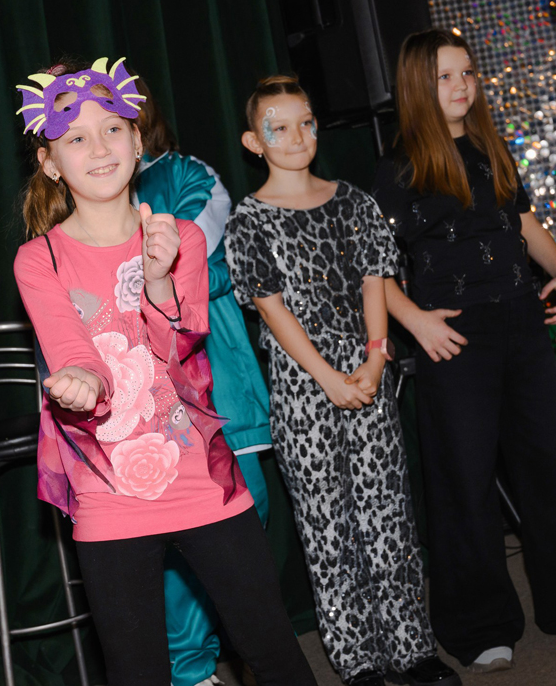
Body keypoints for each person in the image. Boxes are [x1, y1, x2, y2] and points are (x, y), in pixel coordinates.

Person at [11, 57, 316, 686]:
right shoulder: (38, 259)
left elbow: (179, 356)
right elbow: (73, 349)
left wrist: (156, 280)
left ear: (137, 138)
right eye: (76, 138)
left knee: (276, 654)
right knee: (138, 673)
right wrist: (83, 381)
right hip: (107, 490)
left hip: (201, 477)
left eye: (112, 130)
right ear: (50, 162)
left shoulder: (182, 238)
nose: (99, 149)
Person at [371, 29, 556, 673]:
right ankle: (479, 624)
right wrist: (415, 322)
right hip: (455, 339)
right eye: (444, 76)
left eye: (467, 73)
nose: (461, 86)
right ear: (417, 87)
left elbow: (522, 223)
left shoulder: (489, 148)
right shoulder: (398, 169)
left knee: (552, 468)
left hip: (521, 324)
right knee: (465, 483)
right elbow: (369, 268)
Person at [224, 75, 459, 686]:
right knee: (327, 528)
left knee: (389, 514)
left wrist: (376, 360)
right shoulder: (249, 221)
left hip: (367, 377)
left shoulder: (353, 201)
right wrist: (327, 378)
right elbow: (272, 309)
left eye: (306, 123)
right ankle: (357, 661)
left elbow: (375, 280)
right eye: (278, 128)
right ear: (254, 142)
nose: (297, 136)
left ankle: (412, 648)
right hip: (305, 390)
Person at [131, 78, 275, 686]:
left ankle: (244, 654)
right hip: (139, 384)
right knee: (174, 527)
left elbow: (192, 260)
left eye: (116, 121)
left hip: (214, 369)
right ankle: (189, 671)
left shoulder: (187, 174)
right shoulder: (74, 206)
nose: (104, 141)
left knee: (245, 509)